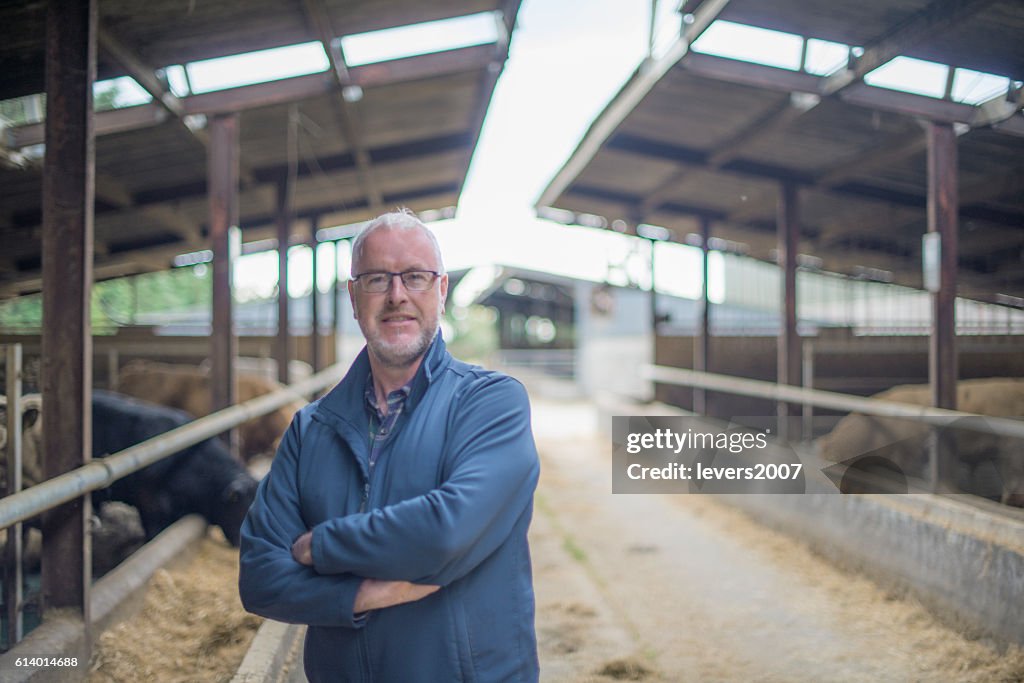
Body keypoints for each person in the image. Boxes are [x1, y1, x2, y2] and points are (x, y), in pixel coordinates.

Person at [239, 210, 541, 682]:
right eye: (377, 279)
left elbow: (446, 531)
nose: (397, 296)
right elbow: (259, 578)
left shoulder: (491, 402)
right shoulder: (310, 428)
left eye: (415, 277)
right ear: (354, 297)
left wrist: (321, 546)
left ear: (441, 291)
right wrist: (359, 597)